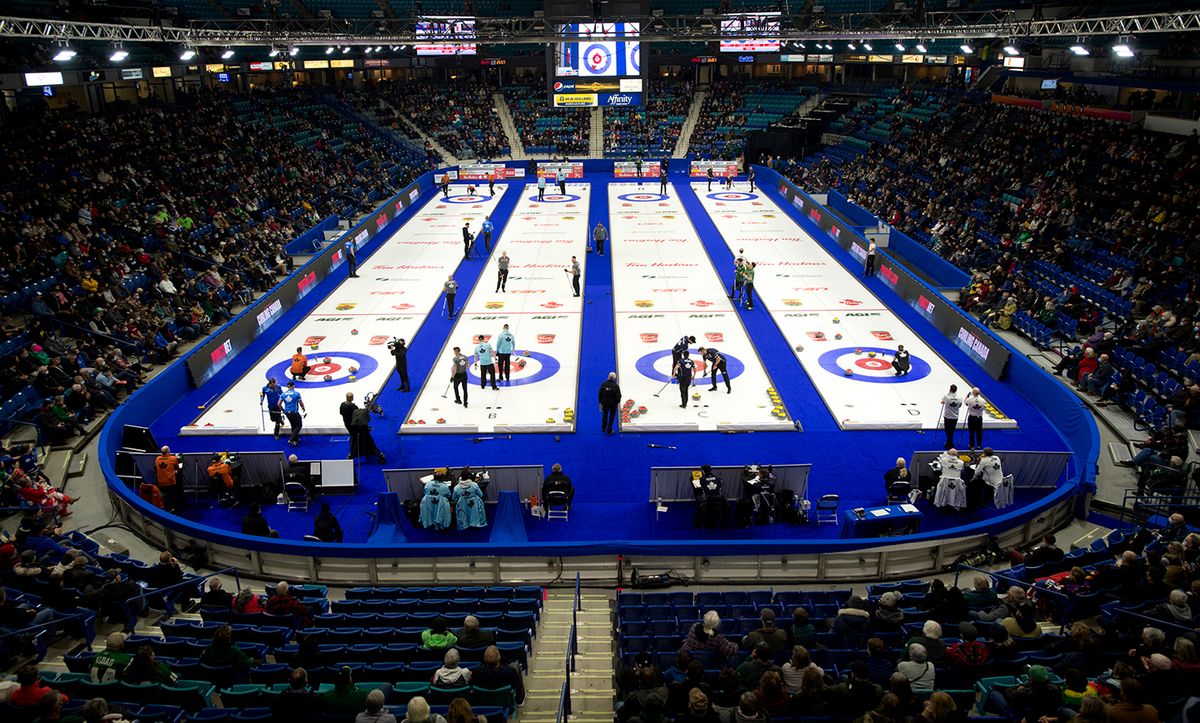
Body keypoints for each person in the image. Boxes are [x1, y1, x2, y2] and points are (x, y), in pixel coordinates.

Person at [155, 445, 184, 512]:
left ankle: (167, 507)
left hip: (160, 483)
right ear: (168, 451)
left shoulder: (157, 458)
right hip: (170, 483)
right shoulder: (173, 458)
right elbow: (177, 468)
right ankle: (173, 508)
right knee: (173, 494)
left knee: (166, 497)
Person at [279, 381, 305, 447]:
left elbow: (278, 404)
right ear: (293, 386)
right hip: (294, 412)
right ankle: (291, 439)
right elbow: (300, 402)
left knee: (293, 426)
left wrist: (283, 410)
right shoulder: (296, 394)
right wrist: (303, 407)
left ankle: (295, 440)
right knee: (299, 425)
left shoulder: (283, 394)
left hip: (287, 412)